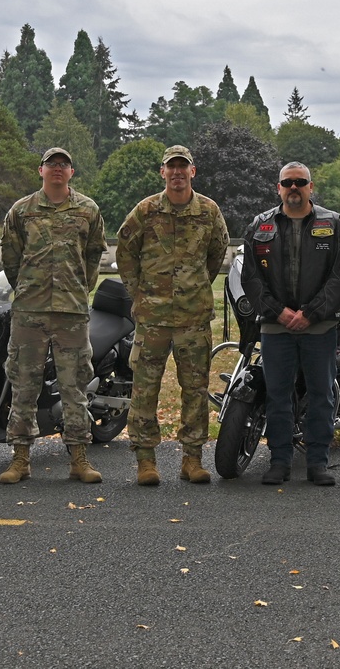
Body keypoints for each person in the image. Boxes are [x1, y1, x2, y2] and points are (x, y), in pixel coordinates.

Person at [115, 145, 229, 486]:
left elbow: (216, 253)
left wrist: (195, 287)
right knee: (144, 389)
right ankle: (146, 460)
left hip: (193, 319)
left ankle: (192, 460)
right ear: (162, 172)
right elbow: (125, 251)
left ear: (193, 172)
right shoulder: (146, 210)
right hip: (153, 319)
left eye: (183, 167)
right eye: (171, 168)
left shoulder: (209, 211)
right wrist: (139, 292)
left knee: (194, 390)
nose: (177, 173)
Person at [0, 147, 107, 484]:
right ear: (40, 170)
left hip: (71, 312)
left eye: (64, 165)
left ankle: (79, 458)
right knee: (24, 386)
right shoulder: (21, 211)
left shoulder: (88, 210)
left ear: (71, 172)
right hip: (29, 312)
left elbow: (93, 258)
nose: (57, 169)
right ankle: (20, 459)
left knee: (74, 387)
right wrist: (29, 289)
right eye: (51, 164)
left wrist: (77, 290)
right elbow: (11, 259)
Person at [240, 162, 340, 485]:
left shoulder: (333, 225)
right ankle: (279, 461)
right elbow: (251, 278)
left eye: (300, 182)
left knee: (320, 394)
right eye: (287, 182)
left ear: (310, 186)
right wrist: (280, 312)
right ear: (278, 188)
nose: (293, 188)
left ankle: (317, 462)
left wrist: (310, 313)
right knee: (277, 394)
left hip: (319, 327)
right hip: (276, 327)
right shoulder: (260, 226)